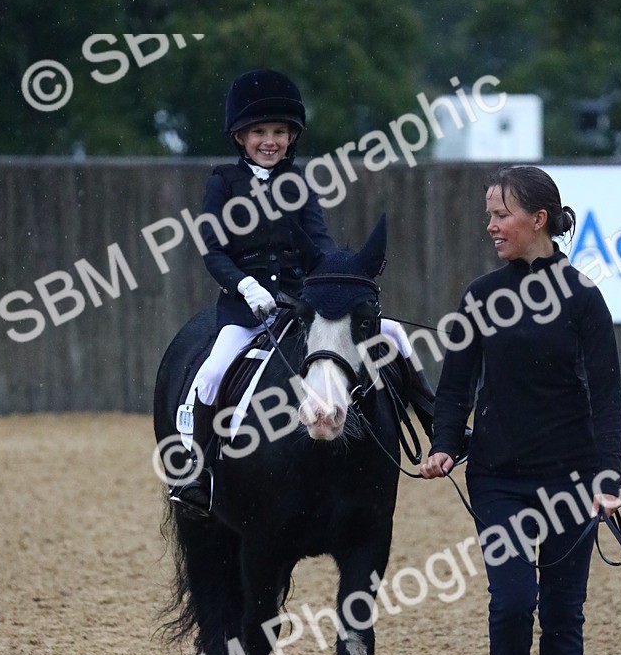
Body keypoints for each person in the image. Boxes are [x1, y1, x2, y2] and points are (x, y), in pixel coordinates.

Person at [420, 165, 621, 655]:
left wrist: (608, 477)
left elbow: (608, 399)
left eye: (501, 214)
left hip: (571, 481)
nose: (491, 225)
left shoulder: (585, 298)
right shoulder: (481, 296)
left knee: (564, 614)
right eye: (489, 213)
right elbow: (455, 387)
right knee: (512, 603)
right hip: (499, 478)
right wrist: (445, 445)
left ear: (538, 220)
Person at [173, 67, 430, 517]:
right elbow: (213, 250)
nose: (269, 141)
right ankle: (197, 474)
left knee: (396, 338)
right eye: (259, 132)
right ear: (239, 137)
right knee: (210, 374)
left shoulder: (300, 184)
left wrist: (336, 280)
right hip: (244, 308)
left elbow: (320, 243)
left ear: (292, 137)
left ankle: (433, 423)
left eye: (279, 132)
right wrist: (245, 285)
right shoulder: (223, 183)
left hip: (303, 304)